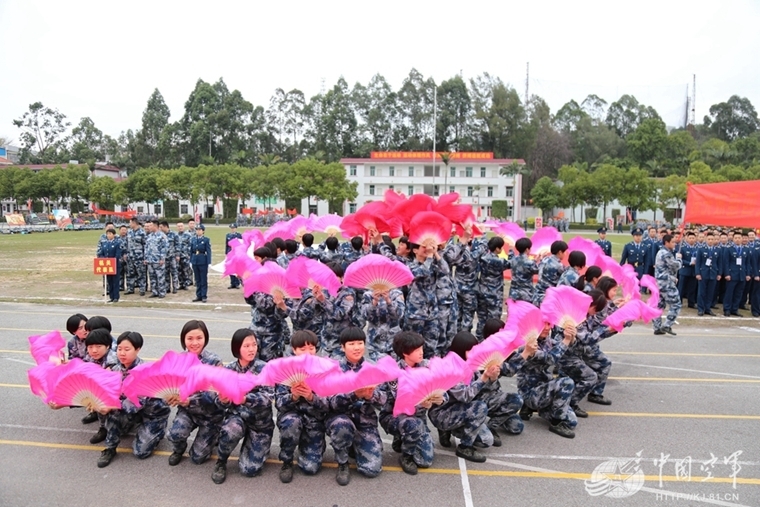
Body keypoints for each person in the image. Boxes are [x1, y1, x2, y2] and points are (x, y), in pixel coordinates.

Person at [96, 331, 171, 468]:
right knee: (112, 412)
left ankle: (158, 429)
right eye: (119, 349)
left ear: (137, 349)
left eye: (127, 349)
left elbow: (134, 404)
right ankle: (110, 449)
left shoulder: (144, 371)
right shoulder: (114, 369)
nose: (122, 353)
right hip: (130, 410)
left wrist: (109, 405)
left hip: (152, 414)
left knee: (140, 452)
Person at [212, 329, 274, 484]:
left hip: (260, 424)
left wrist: (245, 398)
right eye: (246, 346)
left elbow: (268, 398)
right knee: (231, 428)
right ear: (237, 348)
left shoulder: (265, 368)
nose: (252, 349)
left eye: (254, 344)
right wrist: (223, 400)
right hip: (238, 418)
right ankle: (221, 461)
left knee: (249, 470)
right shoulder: (228, 370)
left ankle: (254, 446)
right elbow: (218, 403)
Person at [326, 328, 386, 485]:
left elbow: (384, 401)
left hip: (365, 422)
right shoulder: (334, 369)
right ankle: (342, 462)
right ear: (342, 347)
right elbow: (331, 403)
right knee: (341, 425)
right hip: (341, 419)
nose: (357, 347)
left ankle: (355, 445)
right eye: (351, 344)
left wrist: (370, 395)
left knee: (371, 470)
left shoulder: (373, 368)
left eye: (360, 343)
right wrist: (354, 394)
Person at [379, 331, 439, 475]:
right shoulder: (394, 372)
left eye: (421, 348)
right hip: (394, 416)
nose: (421, 353)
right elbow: (402, 401)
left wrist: (440, 399)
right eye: (417, 350)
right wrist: (420, 405)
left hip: (419, 419)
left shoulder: (427, 367)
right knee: (413, 425)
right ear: (405, 353)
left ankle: (403, 438)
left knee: (425, 460)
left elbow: (443, 390)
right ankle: (406, 456)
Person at [428, 331, 494, 463]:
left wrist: (492, 376)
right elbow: (465, 396)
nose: (475, 354)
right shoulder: (450, 368)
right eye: (471, 351)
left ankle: (450, 430)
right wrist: (484, 377)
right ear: (461, 350)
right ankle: (464, 447)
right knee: (480, 407)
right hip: (442, 412)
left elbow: (479, 391)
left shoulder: (467, 364)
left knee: (487, 440)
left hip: (459, 409)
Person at [166, 320, 224, 466]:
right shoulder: (177, 361)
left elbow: (215, 395)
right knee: (175, 435)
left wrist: (189, 400)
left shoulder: (214, 362)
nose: (195, 343)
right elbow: (166, 388)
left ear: (205, 339)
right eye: (190, 338)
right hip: (188, 412)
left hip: (210, 415)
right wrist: (169, 398)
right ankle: (179, 449)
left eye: (199, 338)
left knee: (197, 458)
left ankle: (215, 433)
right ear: (183, 340)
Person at [276, 331, 329, 483]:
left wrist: (311, 397)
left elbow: (329, 405)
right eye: (302, 349)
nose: (307, 353)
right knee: (291, 423)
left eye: (311, 348)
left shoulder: (323, 370)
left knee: (310, 468)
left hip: (314, 420)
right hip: (292, 417)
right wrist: (292, 396)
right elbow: (279, 404)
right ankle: (287, 460)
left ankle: (309, 449)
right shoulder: (285, 370)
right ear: (294, 350)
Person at [516, 322, 577, 439]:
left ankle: (536, 409)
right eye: (543, 324)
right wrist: (566, 340)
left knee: (571, 422)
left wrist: (572, 338)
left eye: (549, 324)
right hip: (530, 393)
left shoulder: (546, 341)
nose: (547, 328)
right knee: (566, 382)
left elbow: (566, 349)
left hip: (545, 391)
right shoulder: (527, 346)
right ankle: (555, 422)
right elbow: (550, 359)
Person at [82, 328, 119, 444]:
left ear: (107, 346)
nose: (94, 350)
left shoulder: (113, 359)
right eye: (90, 347)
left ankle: (111, 428)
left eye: (98, 346)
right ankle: (103, 427)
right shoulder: (89, 357)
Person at [476, 237, 512, 339]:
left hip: (482, 291)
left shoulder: (482, 258)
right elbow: (511, 263)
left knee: (482, 319)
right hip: (494, 294)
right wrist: (511, 249)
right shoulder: (499, 261)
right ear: (497, 248)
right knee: (494, 320)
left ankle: (479, 339)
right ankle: (492, 340)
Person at [361, 285, 405, 361]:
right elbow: (365, 316)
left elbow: (399, 315)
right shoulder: (368, 295)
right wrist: (374, 302)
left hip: (393, 340)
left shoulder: (396, 294)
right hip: (375, 339)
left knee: (394, 367)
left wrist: (388, 301)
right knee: (377, 368)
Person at [653, 234, 683, 335]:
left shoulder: (660, 252)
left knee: (660, 305)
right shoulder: (666, 253)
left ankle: (657, 327)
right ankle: (667, 325)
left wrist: (672, 277)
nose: (674, 244)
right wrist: (679, 259)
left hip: (660, 282)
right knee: (676, 304)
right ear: (667, 242)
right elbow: (674, 266)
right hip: (666, 283)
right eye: (673, 242)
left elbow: (664, 270)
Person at [722, 231, 751, 317]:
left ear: (742, 239)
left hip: (742, 275)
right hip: (732, 274)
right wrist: (727, 274)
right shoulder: (729, 249)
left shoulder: (746, 249)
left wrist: (748, 274)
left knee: (739, 293)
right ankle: (727, 309)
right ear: (733, 239)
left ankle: (735, 309)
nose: (738, 240)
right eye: (736, 238)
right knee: (729, 293)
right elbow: (726, 263)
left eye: (739, 238)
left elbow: (748, 263)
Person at [532, 241, 568, 307]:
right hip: (547, 298)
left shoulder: (544, 259)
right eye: (565, 252)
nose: (565, 254)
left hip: (536, 296)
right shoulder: (559, 266)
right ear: (560, 252)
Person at [695, 232, 722, 316]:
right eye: (709, 239)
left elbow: (720, 263)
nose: (710, 241)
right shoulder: (701, 249)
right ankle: (700, 308)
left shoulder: (718, 250)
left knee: (710, 292)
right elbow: (698, 262)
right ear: (706, 240)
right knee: (701, 292)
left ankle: (708, 308)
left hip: (713, 273)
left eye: (712, 239)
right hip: (703, 273)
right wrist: (697, 273)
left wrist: (719, 273)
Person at [509, 237, 538, 303]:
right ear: (527, 249)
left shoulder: (513, 260)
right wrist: (541, 260)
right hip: (526, 293)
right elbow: (537, 270)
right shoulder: (530, 263)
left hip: (514, 293)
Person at [144, 220, 168, 299]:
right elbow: (146, 248)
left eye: (151, 225)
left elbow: (164, 248)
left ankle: (161, 292)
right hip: (150, 260)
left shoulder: (162, 236)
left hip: (158, 260)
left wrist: (162, 258)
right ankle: (155, 292)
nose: (149, 227)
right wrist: (146, 258)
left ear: (155, 226)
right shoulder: (149, 236)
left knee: (160, 277)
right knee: (152, 277)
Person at [97, 228, 122, 303]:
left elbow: (117, 255)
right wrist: (103, 259)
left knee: (115, 281)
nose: (108, 235)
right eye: (107, 234)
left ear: (114, 235)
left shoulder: (117, 243)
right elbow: (101, 253)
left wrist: (112, 260)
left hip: (115, 265)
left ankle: (116, 297)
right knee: (109, 281)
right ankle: (111, 296)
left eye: (110, 234)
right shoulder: (105, 243)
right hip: (107, 266)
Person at [125, 218, 147, 296]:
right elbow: (126, 244)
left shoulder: (142, 233)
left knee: (141, 274)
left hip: (139, 257)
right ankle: (130, 289)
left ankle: (142, 289)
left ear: (134, 223)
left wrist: (145, 257)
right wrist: (126, 254)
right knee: (130, 273)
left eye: (130, 222)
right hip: (130, 257)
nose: (129, 224)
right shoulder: (129, 232)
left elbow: (145, 245)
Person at [190, 224, 211, 302]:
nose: (198, 231)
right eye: (197, 230)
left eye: (199, 230)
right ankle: (198, 295)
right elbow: (191, 251)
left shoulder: (206, 240)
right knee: (197, 279)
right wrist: (190, 261)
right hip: (195, 260)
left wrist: (209, 262)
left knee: (203, 279)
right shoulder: (193, 239)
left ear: (203, 231)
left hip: (202, 260)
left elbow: (208, 251)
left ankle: (204, 295)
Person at [677, 231, 698, 309]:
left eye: (693, 238)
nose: (692, 240)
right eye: (690, 238)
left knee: (692, 288)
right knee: (681, 287)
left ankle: (691, 303)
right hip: (685, 270)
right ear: (687, 239)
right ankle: (679, 302)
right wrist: (689, 263)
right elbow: (680, 259)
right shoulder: (682, 248)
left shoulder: (697, 248)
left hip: (693, 271)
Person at [160, 221, 180, 294]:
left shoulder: (174, 234)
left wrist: (177, 255)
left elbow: (177, 245)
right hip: (164, 257)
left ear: (166, 226)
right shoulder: (160, 235)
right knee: (166, 273)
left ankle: (175, 287)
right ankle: (167, 288)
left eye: (161, 227)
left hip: (172, 257)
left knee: (174, 272)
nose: (160, 229)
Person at [225, 223, 243, 289]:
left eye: (233, 228)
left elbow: (241, 244)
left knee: (237, 268)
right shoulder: (228, 235)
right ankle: (232, 283)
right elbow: (226, 245)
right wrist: (226, 253)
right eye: (231, 228)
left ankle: (237, 283)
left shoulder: (239, 235)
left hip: (236, 253)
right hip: (230, 253)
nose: (232, 229)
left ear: (236, 228)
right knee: (231, 268)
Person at [176, 221, 192, 289]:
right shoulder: (176, 235)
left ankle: (186, 284)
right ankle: (181, 283)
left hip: (185, 256)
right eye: (179, 226)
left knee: (185, 270)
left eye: (181, 226)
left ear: (184, 227)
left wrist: (188, 254)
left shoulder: (188, 235)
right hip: (178, 256)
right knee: (179, 271)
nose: (180, 227)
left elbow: (190, 245)